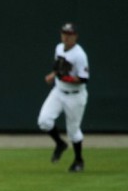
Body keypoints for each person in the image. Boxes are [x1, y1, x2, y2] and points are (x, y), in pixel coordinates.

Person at [37, 22, 90, 172]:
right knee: (44, 121)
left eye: (69, 34)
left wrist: (65, 77)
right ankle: (60, 144)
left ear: (75, 36)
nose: (66, 37)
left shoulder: (80, 55)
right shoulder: (59, 47)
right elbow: (59, 67)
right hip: (58, 91)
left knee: (73, 131)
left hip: (75, 96)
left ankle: (79, 160)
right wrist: (53, 75)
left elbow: (84, 78)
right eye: (64, 34)